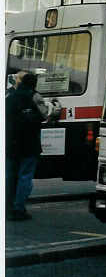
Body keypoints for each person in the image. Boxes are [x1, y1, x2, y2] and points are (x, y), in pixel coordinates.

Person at [5, 71, 54, 221]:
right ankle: (19, 208)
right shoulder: (35, 96)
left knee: (10, 175)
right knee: (25, 176)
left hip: (11, 143)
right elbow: (44, 115)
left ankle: (7, 206)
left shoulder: (9, 97)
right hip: (30, 143)